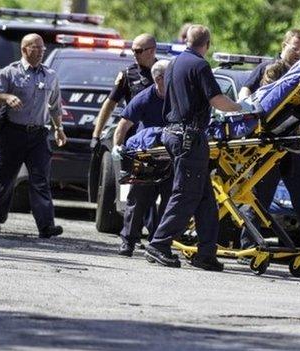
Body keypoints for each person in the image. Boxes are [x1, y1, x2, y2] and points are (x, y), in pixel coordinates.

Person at [144, 24, 249, 271]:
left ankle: (206, 252)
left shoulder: (173, 64)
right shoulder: (200, 65)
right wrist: (241, 108)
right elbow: (217, 101)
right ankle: (159, 243)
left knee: (204, 198)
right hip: (189, 137)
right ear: (208, 44)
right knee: (186, 194)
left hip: (174, 133)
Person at [237, 29, 300, 266]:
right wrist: (247, 116)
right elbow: (244, 96)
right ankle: (247, 246)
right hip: (267, 146)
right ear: (284, 44)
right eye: (295, 48)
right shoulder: (270, 69)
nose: (298, 54)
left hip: (291, 144)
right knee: (258, 200)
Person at [0, 33, 67, 238]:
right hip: (13, 133)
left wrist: (59, 129)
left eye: (42, 49)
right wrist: (7, 97)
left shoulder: (50, 75)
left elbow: (55, 106)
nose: (40, 52)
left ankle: (46, 226)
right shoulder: (10, 72)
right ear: (24, 49)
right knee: (6, 179)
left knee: (40, 180)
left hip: (38, 134)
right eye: (35, 48)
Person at [90, 33, 158, 240]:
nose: (134, 55)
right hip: (134, 140)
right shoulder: (128, 74)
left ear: (151, 50)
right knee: (137, 187)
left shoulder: (165, 71)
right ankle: (136, 233)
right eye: (133, 51)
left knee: (153, 187)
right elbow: (109, 104)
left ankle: (150, 232)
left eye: (138, 51)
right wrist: (97, 133)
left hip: (158, 140)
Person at [112, 60, 172, 257]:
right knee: (138, 200)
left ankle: (158, 243)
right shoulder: (144, 98)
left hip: (170, 156)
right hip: (146, 156)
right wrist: (117, 148)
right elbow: (124, 124)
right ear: (159, 79)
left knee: (169, 200)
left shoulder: (177, 97)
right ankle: (128, 241)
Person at [237, 29, 300, 100]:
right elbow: (245, 91)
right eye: (295, 49)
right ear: (284, 46)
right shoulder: (265, 67)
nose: (299, 53)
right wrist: (246, 106)